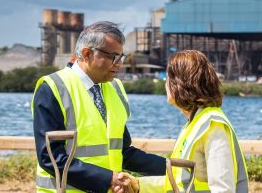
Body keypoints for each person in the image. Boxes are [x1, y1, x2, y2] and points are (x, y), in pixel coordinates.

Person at [32, 21, 166, 193]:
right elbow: (50, 158)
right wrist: (107, 179)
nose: (119, 63)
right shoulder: (53, 88)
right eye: (113, 57)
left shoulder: (115, 89)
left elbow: (123, 152)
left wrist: (171, 167)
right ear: (87, 54)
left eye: (121, 57)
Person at [137, 50, 248, 193]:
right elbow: (177, 182)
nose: (165, 83)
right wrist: (137, 184)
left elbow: (223, 188)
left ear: (181, 83)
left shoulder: (213, 126)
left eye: (169, 78)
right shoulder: (195, 123)